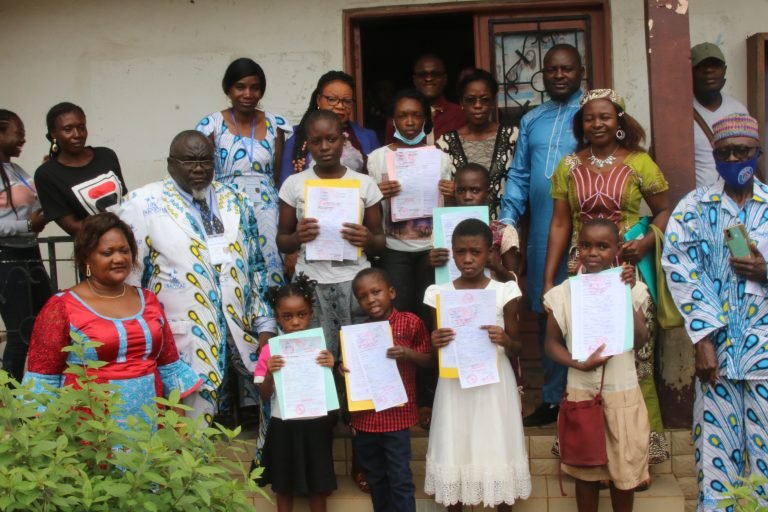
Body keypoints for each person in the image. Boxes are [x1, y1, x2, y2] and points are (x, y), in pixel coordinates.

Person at [545, 88, 671, 473]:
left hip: (627, 270)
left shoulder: (639, 162)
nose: (597, 123)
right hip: (583, 272)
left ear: (619, 121)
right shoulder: (568, 165)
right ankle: (586, 446)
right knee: (586, 354)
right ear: (580, 124)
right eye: (589, 118)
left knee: (635, 357)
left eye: (604, 116)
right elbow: (561, 223)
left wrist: (646, 242)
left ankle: (640, 452)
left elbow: (664, 210)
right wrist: (549, 278)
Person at [118, 130, 275, 426]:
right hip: (182, 337)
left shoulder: (236, 199)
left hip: (242, 334)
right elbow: (131, 278)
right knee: (190, 428)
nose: (200, 168)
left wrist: (265, 326)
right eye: (190, 161)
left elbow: (256, 266)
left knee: (269, 416)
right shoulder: (142, 203)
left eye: (206, 160)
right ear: (170, 164)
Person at [662, 113, 768, 511]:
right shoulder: (692, 209)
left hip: (764, 357)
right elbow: (680, 271)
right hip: (717, 359)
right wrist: (703, 341)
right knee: (716, 460)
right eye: (725, 153)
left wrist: (765, 271)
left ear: (757, 152)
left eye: (742, 151)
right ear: (715, 155)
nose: (734, 158)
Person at [22, 213, 201, 425]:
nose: (119, 259)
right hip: (89, 430)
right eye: (107, 253)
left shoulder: (148, 300)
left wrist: (179, 429)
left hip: (150, 427)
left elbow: (168, 367)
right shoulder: (61, 307)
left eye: (124, 251)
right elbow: (44, 379)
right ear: (86, 258)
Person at [500, 43, 584, 427]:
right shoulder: (532, 119)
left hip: (585, 234)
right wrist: (507, 224)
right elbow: (519, 175)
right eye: (552, 70)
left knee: (585, 313)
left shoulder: (594, 114)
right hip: (541, 234)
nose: (559, 75)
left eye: (567, 68)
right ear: (543, 75)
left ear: (581, 72)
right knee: (548, 311)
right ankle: (552, 399)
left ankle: (584, 398)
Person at [543, 218, 651, 512]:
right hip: (582, 391)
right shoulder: (565, 292)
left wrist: (625, 294)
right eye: (586, 245)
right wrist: (577, 364)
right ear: (577, 248)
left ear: (617, 249)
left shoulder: (632, 288)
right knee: (585, 473)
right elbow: (551, 343)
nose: (593, 253)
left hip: (622, 393)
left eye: (603, 246)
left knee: (624, 474)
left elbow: (641, 338)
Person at [424, 219, 531, 511]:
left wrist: (505, 340)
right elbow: (437, 349)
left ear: (490, 253)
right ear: (452, 252)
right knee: (455, 444)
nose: (468, 259)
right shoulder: (438, 293)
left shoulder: (505, 291)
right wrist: (436, 341)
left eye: (476, 251)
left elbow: (518, 346)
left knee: (496, 443)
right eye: (460, 252)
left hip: (494, 383)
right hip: (454, 383)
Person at [277, 109, 385, 359]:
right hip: (310, 283)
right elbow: (282, 240)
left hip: (354, 282)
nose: (325, 147)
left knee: (357, 360)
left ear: (344, 140)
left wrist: (367, 239)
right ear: (307, 143)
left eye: (332, 139)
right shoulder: (294, 184)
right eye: (316, 141)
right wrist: (297, 237)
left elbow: (380, 242)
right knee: (317, 360)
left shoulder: (364, 183)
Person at [196, 58, 291, 288]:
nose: (248, 94)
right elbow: (201, 175)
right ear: (228, 89)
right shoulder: (212, 125)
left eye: (254, 88)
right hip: (226, 209)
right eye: (240, 87)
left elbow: (280, 176)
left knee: (271, 273)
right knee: (234, 271)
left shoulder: (276, 124)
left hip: (268, 212)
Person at [368, 88, 454, 328]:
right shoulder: (377, 158)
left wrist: (452, 194)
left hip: (431, 249)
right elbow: (366, 208)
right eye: (403, 115)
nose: (410, 121)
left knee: (430, 315)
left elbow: (448, 208)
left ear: (426, 119)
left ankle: (428, 355)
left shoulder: (440, 157)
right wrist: (377, 193)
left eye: (416, 115)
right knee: (400, 315)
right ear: (393, 120)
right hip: (393, 249)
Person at [348, 267, 433, 512]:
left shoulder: (411, 323)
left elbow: (429, 360)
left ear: (392, 292)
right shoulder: (357, 334)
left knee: (400, 479)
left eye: (376, 292)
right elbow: (352, 369)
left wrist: (407, 354)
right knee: (375, 479)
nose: (370, 299)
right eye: (363, 296)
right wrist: (345, 369)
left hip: (397, 418)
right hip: (366, 419)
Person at [255, 273, 337, 512]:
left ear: (310, 313)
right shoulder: (270, 350)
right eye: (287, 316)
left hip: (316, 423)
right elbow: (263, 394)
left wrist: (330, 366)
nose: (295, 322)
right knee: (284, 485)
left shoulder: (319, 346)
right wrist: (270, 374)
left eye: (301, 314)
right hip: (283, 424)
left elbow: (327, 389)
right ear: (278, 318)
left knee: (318, 485)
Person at [0, 110, 52, 381]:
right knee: (20, 333)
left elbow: (35, 207)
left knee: (47, 322)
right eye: (18, 133)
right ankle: (9, 399)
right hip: (6, 258)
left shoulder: (16, 170)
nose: (23, 139)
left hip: (30, 253)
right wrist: (27, 227)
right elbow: (24, 221)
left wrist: (46, 176)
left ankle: (40, 390)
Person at [34, 102, 127, 237]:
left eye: (81, 127)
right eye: (68, 129)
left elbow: (126, 202)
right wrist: (117, 225)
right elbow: (73, 227)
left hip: (127, 241)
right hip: (92, 246)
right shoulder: (46, 175)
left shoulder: (106, 155)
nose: (77, 134)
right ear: (53, 134)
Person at [436, 69, 518, 217]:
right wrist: (452, 191)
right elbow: (437, 192)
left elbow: (523, 184)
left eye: (484, 100)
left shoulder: (513, 137)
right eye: (471, 100)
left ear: (493, 102)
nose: (478, 105)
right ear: (461, 102)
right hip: (461, 228)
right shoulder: (445, 144)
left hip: (505, 226)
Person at [281, 71, 380, 186]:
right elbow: (286, 185)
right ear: (319, 100)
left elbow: (377, 181)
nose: (340, 106)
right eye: (332, 99)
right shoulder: (297, 137)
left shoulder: (368, 137)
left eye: (347, 101)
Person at [429, 163, 520, 283]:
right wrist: (430, 261)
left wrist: (497, 266)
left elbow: (514, 284)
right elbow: (434, 279)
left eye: (475, 190)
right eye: (461, 191)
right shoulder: (441, 229)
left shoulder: (503, 231)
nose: (467, 196)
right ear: (454, 193)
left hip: (493, 295)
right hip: (452, 294)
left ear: (488, 193)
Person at [691, 42, 748, 188]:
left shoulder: (738, 111)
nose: (709, 70)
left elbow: (750, 157)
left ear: (724, 70)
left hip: (733, 197)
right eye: (701, 66)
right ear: (689, 72)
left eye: (715, 65)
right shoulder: (677, 113)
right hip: (695, 200)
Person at [384, 54, 465, 145]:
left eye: (435, 74)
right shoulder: (397, 117)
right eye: (422, 75)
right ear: (414, 79)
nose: (429, 78)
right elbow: (389, 151)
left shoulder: (460, 114)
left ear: (445, 79)